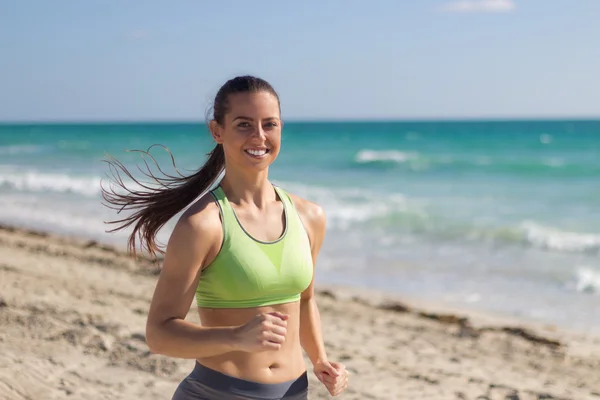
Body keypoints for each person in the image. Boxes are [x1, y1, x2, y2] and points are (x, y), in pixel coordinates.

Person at [102, 75, 349, 399]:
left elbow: (304, 300)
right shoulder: (203, 225)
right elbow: (159, 333)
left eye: (269, 124)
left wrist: (320, 359)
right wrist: (235, 337)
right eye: (244, 125)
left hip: (294, 392)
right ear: (217, 131)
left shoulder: (309, 217)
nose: (259, 136)